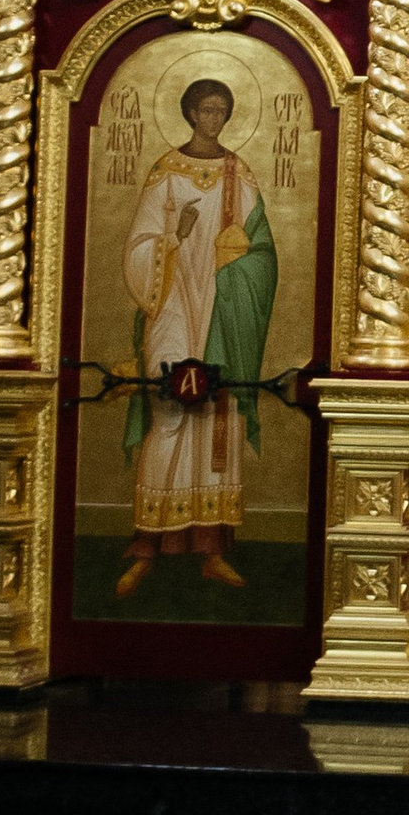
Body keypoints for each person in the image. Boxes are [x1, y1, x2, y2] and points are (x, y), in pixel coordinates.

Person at [116, 77, 278, 598]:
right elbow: (138, 248)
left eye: (221, 111)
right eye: (205, 110)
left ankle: (211, 550)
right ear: (189, 114)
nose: (213, 119)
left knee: (217, 419)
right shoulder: (166, 173)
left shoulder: (239, 173)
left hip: (221, 315)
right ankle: (148, 544)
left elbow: (263, 254)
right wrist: (174, 238)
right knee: (171, 412)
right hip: (170, 308)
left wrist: (239, 266)